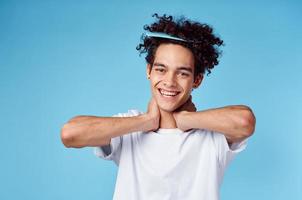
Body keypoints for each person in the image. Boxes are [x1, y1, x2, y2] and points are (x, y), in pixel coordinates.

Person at [61, 13, 256, 200]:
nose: (169, 81)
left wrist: (186, 119)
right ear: (149, 70)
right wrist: (146, 121)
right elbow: (70, 134)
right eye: (161, 69)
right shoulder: (129, 127)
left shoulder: (212, 137)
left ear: (197, 80)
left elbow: (244, 121)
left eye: (182, 73)